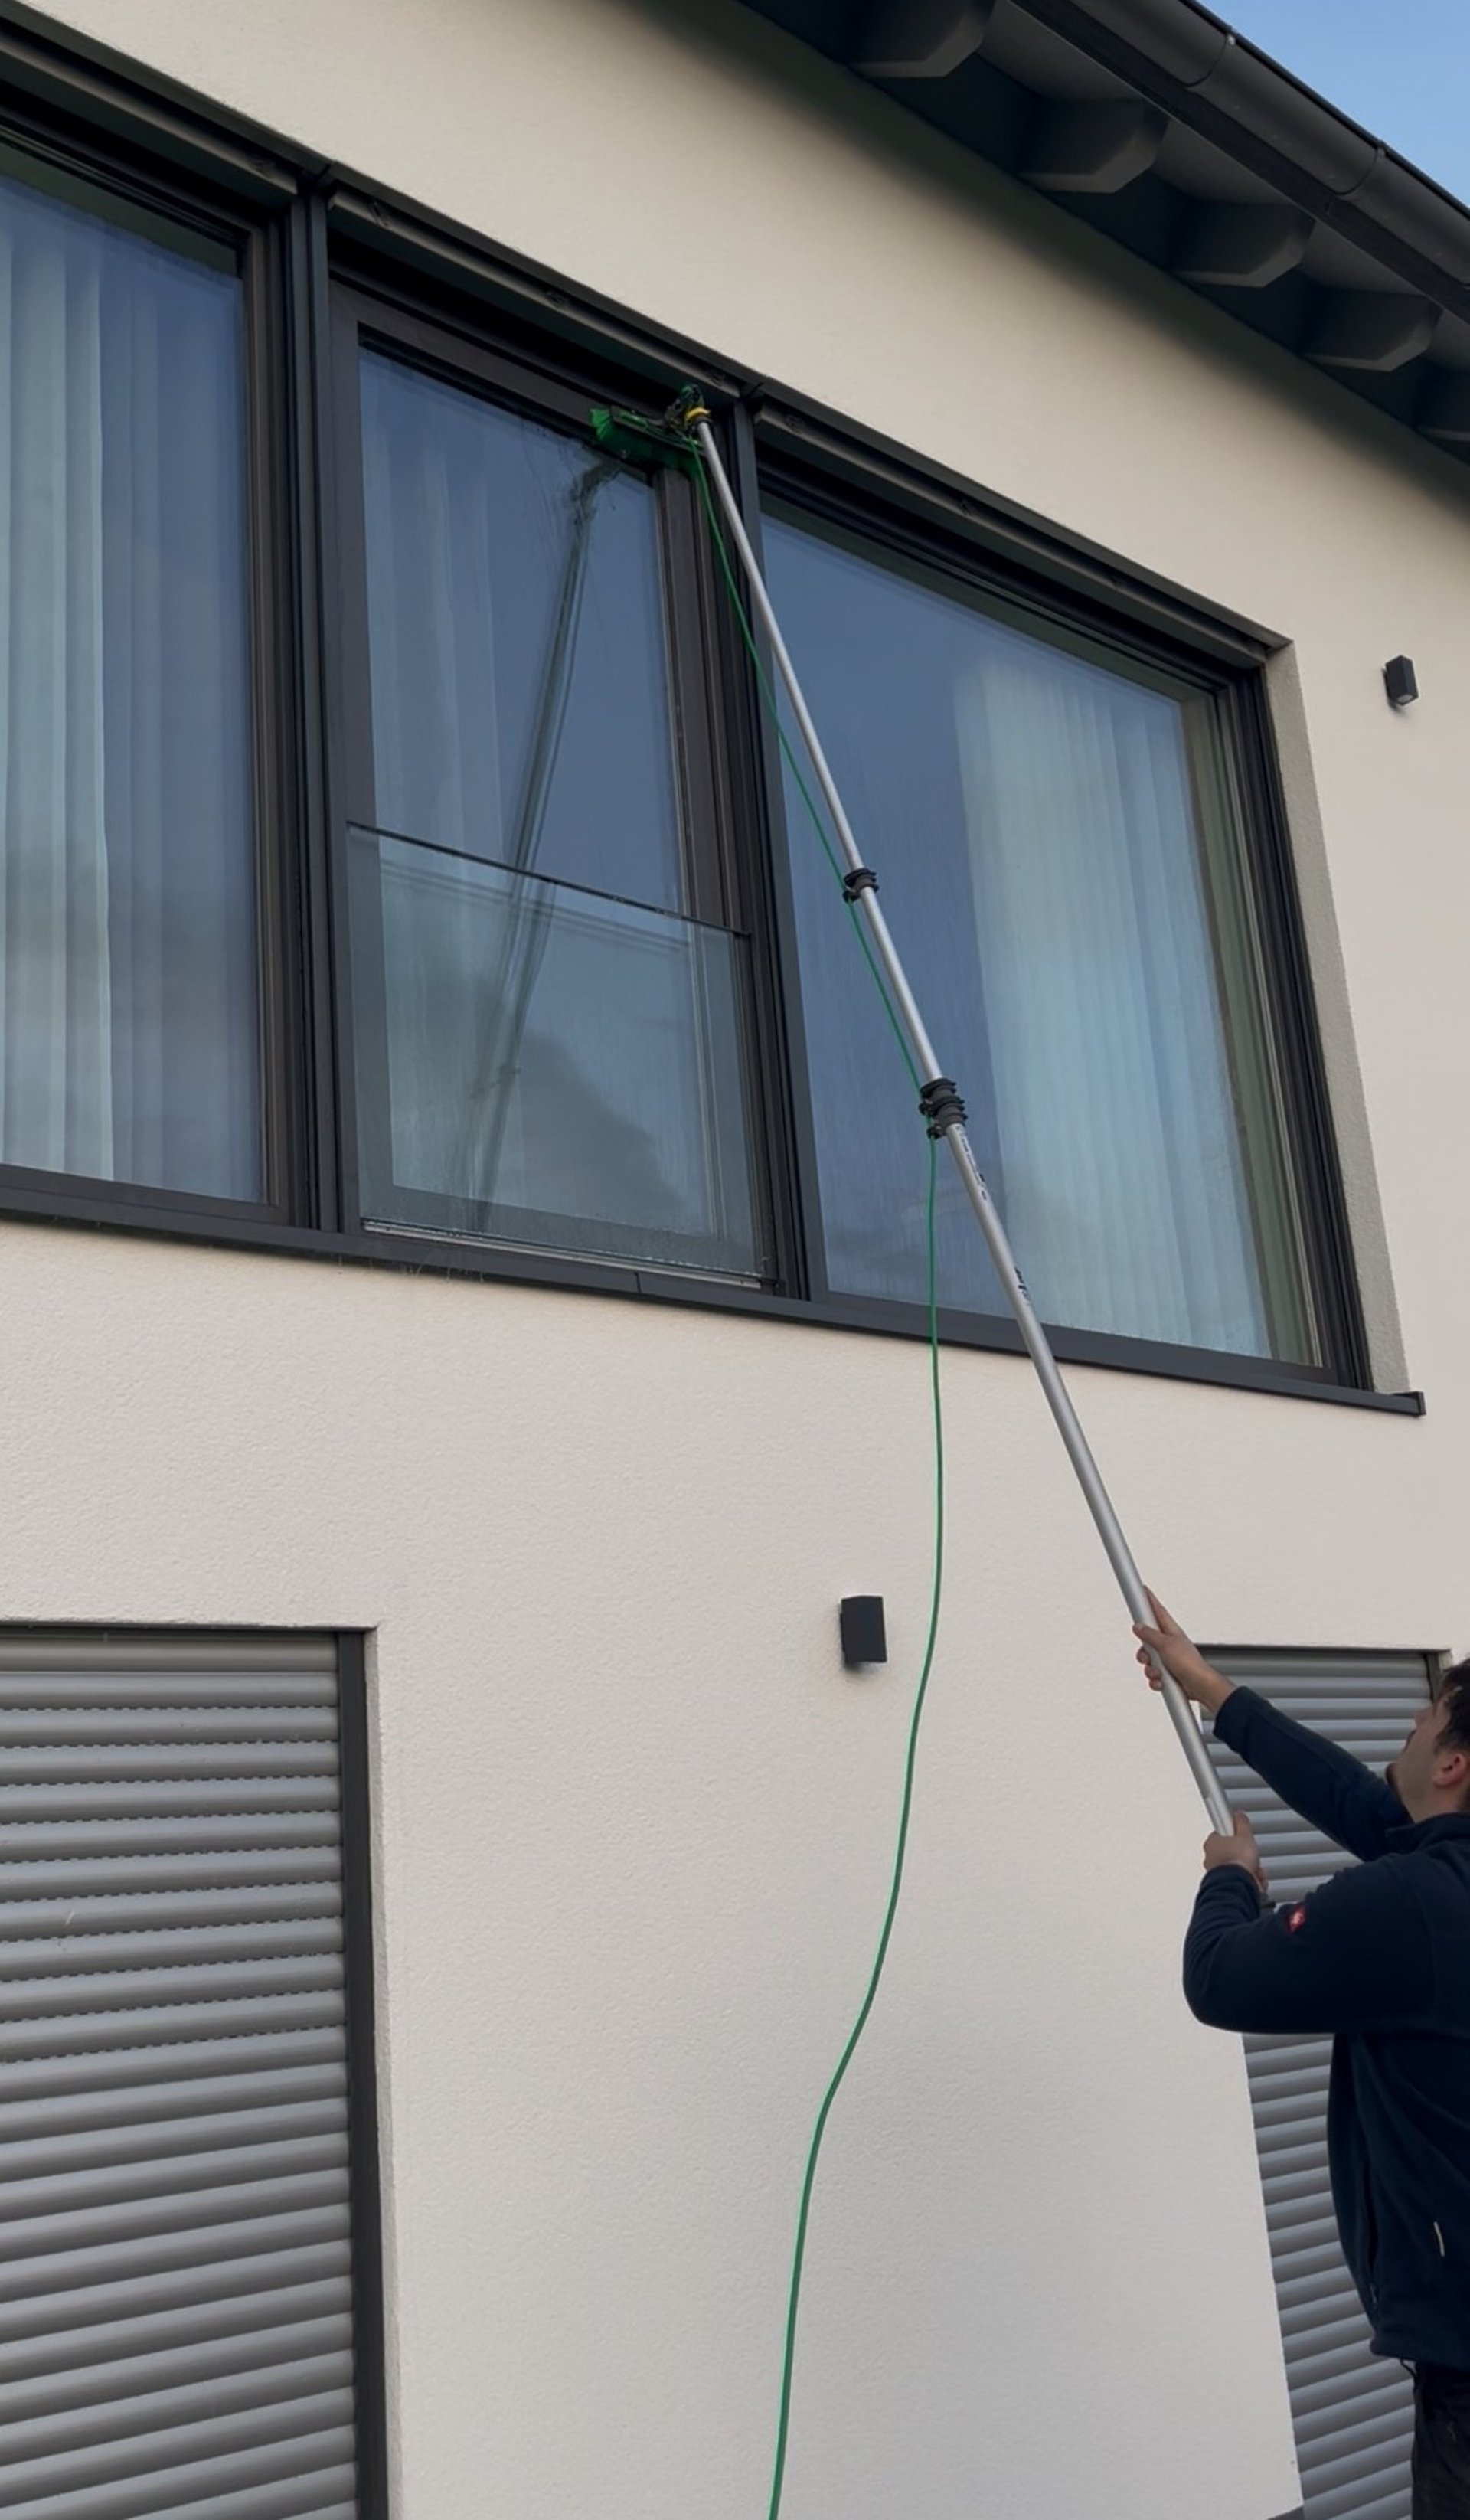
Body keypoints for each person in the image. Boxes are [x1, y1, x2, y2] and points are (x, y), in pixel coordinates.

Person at [1134, 1595, 1470, 2520]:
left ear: (1453, 1762)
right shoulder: (1441, 1879)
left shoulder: (1415, 1906)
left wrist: (1230, 1880)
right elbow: (1365, 1806)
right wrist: (1212, 1691)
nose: (1406, 1721)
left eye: (1424, 1717)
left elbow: (1222, 1979)